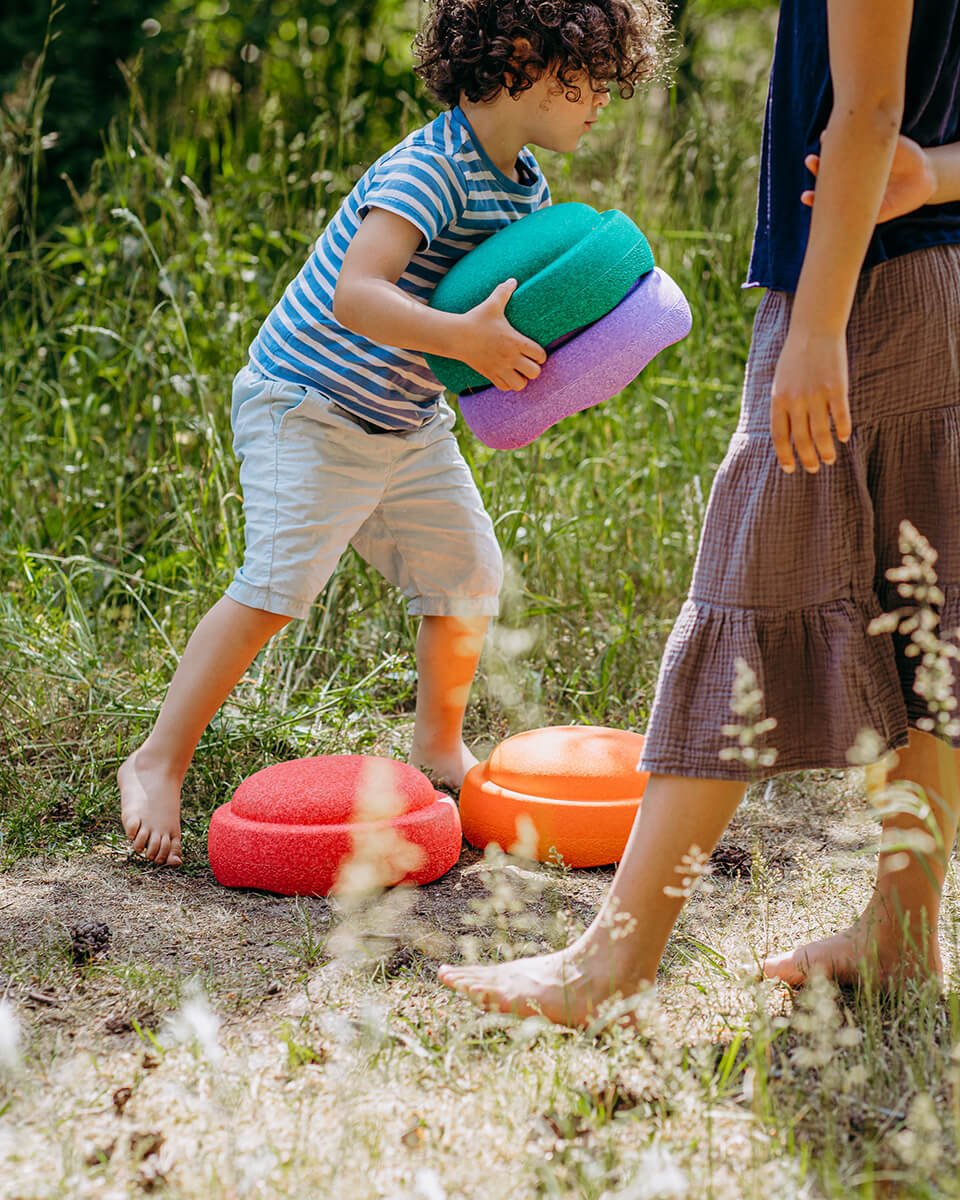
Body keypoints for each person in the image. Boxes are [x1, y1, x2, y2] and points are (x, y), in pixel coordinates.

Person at [439, 0, 960, 1022]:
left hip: (869, 295)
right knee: (928, 603)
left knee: (752, 591)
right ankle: (903, 931)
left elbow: (870, 112)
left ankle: (609, 965)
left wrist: (818, 324)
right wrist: (939, 177)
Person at [119, 0, 669, 866]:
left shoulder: (526, 185)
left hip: (406, 419)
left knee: (467, 572)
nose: (605, 97)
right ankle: (157, 759)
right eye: (591, 76)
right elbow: (358, 294)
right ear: (525, 58)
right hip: (309, 401)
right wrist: (464, 342)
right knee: (276, 586)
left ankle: (439, 748)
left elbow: (507, 319)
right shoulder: (431, 167)